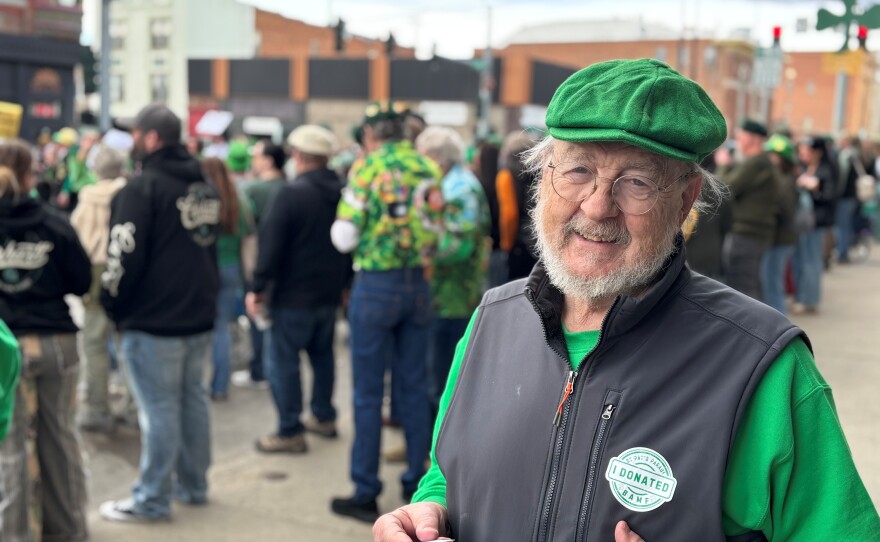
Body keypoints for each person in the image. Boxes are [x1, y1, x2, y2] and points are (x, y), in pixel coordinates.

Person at [372, 58, 880, 542]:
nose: (597, 207)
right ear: (543, 177)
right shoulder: (491, 322)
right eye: (577, 172)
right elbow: (450, 472)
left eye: (635, 182)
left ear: (684, 199)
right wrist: (430, 511)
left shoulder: (760, 366)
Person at [99, 104, 221, 523]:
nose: (132, 140)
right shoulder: (203, 184)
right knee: (191, 402)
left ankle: (152, 498)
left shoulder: (142, 188)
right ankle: (194, 484)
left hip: (154, 320)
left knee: (160, 410)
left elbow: (122, 255)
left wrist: (112, 303)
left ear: (150, 139)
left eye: (135, 133)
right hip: (198, 312)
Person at [330, 101, 444, 522]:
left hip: (376, 285)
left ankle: (365, 489)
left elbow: (344, 236)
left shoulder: (368, 168)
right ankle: (417, 484)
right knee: (414, 388)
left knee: (367, 393)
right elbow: (436, 230)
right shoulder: (428, 168)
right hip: (418, 282)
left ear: (370, 136)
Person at [0, 142, 92, 542]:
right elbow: (82, 282)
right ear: (30, 175)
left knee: (10, 447)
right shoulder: (55, 222)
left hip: (6, 348)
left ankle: (16, 534)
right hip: (57, 340)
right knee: (61, 437)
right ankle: (69, 530)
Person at [245, 124, 346, 453]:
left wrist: (258, 288)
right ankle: (323, 415)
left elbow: (270, 247)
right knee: (322, 356)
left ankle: (290, 430)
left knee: (283, 363)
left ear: (299, 155)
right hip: (329, 293)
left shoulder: (290, 193)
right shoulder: (343, 190)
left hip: (291, 295)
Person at [414, 126, 490, 414]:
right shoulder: (448, 183)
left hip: (454, 296)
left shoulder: (460, 189)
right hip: (444, 294)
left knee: (443, 379)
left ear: (436, 158)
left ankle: (435, 452)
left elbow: (458, 245)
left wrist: (420, 253)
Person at [70, 145, 134, 432]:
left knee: (94, 342)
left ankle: (98, 408)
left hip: (94, 271)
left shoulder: (87, 197)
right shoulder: (131, 193)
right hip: (126, 266)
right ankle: (133, 406)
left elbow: (77, 237)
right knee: (128, 341)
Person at [231, 140, 287, 391]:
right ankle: (270, 369)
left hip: (258, 262)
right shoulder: (289, 186)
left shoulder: (252, 190)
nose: (253, 160)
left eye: (257, 155)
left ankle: (260, 370)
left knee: (257, 316)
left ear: (268, 160)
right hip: (286, 265)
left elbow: (243, 227)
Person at [201, 157, 255, 401]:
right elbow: (247, 236)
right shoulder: (238, 201)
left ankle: (200, 384)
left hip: (206, 268)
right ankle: (220, 386)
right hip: (231, 267)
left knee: (202, 329)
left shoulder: (202, 201)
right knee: (221, 327)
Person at [717, 118, 779, 300]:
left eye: (740, 136)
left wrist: (723, 164)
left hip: (747, 234)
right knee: (749, 284)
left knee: (743, 289)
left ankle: (752, 328)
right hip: (752, 234)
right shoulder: (759, 162)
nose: (738, 142)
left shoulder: (756, 163)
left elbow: (724, 190)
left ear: (753, 139)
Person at [791, 136, 838, 316]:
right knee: (800, 260)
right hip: (803, 220)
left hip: (817, 221)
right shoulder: (804, 167)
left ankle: (809, 299)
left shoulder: (828, 168)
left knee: (811, 260)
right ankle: (800, 295)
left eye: (807, 151)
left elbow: (830, 196)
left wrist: (815, 189)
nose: (803, 154)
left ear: (817, 152)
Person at [760, 134, 798, 315]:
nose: (769, 158)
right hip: (776, 239)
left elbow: (787, 212)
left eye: (773, 155)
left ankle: (779, 328)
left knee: (773, 285)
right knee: (770, 283)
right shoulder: (780, 179)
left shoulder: (784, 181)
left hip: (780, 239)